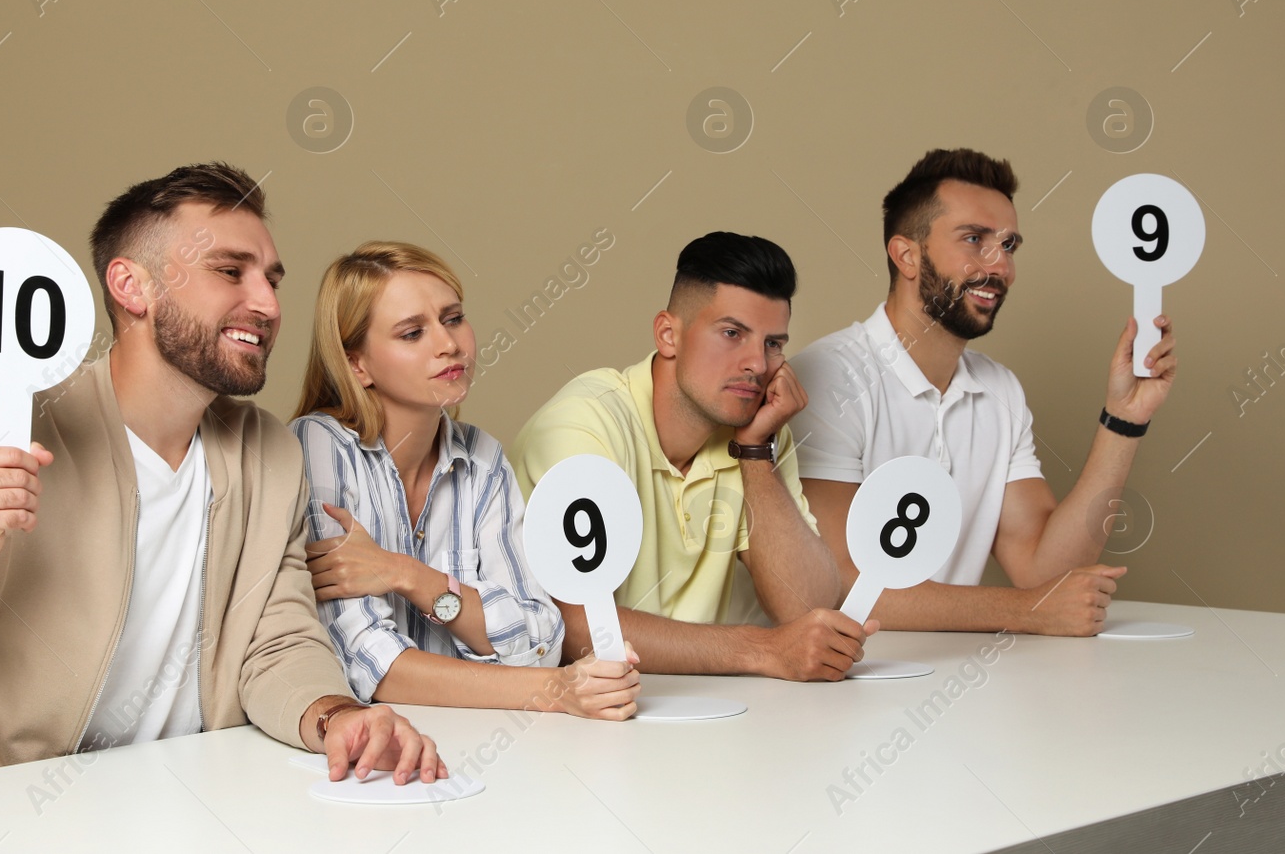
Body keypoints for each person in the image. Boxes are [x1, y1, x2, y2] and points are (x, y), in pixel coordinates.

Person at [0, 163, 444, 798]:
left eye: (272, 276)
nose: (265, 302)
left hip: (158, 817)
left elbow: (279, 638)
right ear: (131, 286)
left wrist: (336, 716)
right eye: (229, 271)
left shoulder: (269, 453)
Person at [789, 149, 1178, 635]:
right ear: (906, 255)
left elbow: (1044, 571)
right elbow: (837, 586)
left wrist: (1124, 418)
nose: (1000, 266)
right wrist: (1026, 611)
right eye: (974, 239)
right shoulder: (828, 379)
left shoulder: (1000, 391)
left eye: (1009, 245)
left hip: (955, 680)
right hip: (827, 691)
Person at [292, 242, 640, 719]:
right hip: (366, 759)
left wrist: (407, 575)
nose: (449, 344)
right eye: (413, 332)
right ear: (358, 365)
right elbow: (368, 665)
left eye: (453, 318)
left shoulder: (482, 458)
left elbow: (539, 636)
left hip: (477, 737)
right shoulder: (320, 447)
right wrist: (555, 690)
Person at [511, 232, 875, 682]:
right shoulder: (583, 426)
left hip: (737, 715)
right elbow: (574, 628)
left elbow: (807, 607)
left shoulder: (756, 434)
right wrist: (762, 650)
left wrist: (756, 453)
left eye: (773, 343)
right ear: (669, 334)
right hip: (608, 718)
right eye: (732, 333)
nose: (758, 365)